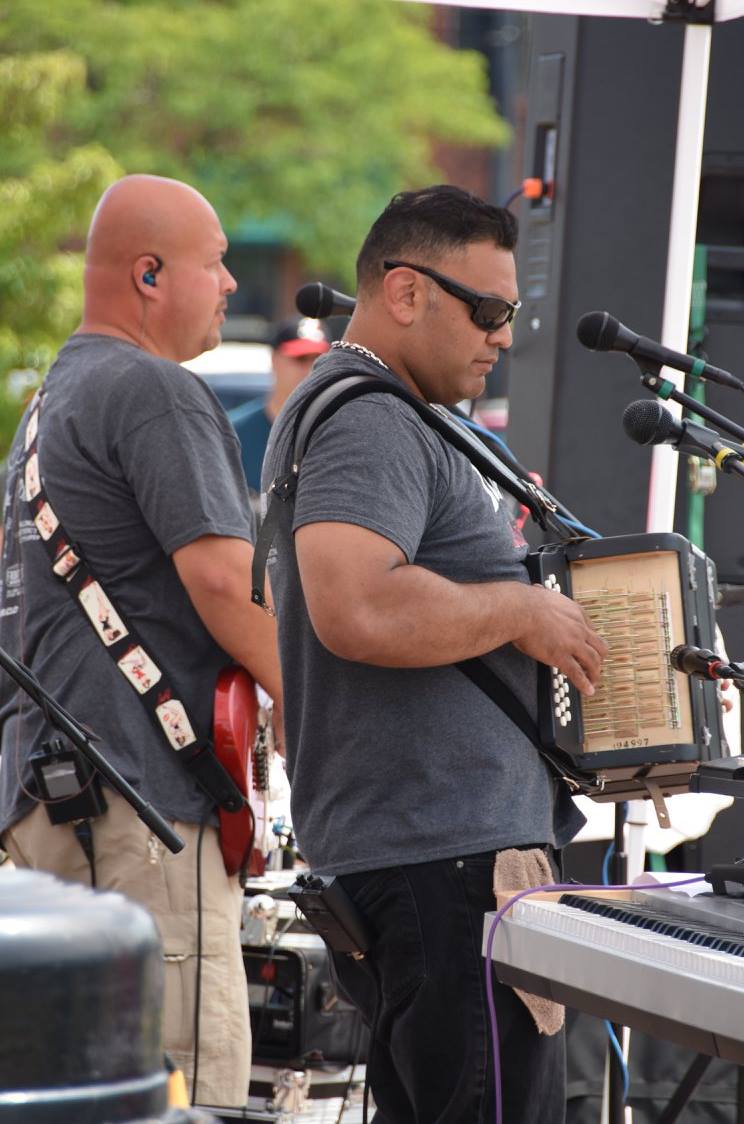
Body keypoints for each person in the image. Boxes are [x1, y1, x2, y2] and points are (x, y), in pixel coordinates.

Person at [261, 184, 608, 1124]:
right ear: (407, 293)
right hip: (447, 865)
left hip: (429, 862)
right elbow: (356, 603)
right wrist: (522, 612)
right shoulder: (371, 417)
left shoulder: (375, 413)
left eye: (513, 313)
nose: (503, 334)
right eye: (489, 310)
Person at [0, 174, 283, 1111]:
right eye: (217, 263)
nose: (233, 285)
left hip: (51, 812)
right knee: (182, 1094)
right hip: (138, 821)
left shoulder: (50, 405)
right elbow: (225, 588)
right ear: (151, 275)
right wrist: (341, 714)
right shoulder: (155, 390)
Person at [229, 315, 329, 498]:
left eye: (318, 360)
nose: (309, 370)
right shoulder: (233, 434)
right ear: (274, 360)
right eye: (300, 359)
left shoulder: (336, 434)